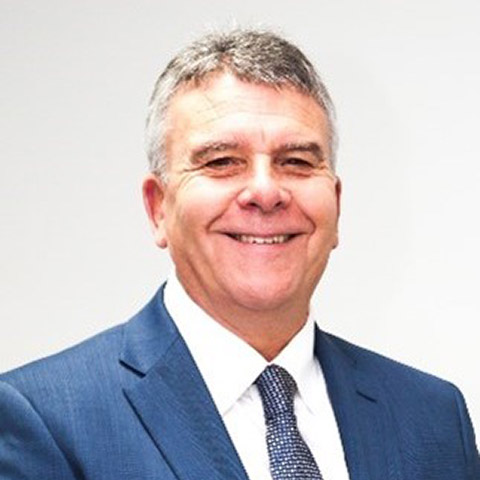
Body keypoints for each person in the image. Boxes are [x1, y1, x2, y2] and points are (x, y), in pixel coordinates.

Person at [0, 29, 478, 480]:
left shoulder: (433, 418)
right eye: (222, 162)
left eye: (296, 162)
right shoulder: (44, 419)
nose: (265, 192)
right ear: (158, 207)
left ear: (336, 203)